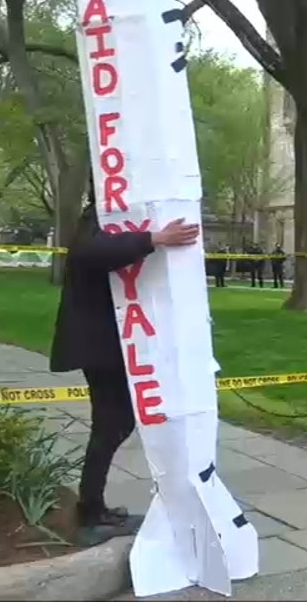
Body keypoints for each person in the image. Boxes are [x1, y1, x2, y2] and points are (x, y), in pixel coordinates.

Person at [49, 202, 200, 546]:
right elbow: (91, 253)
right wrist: (155, 237)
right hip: (99, 343)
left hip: (112, 341)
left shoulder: (109, 215)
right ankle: (90, 513)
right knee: (111, 424)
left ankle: (93, 506)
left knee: (114, 423)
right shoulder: (96, 215)